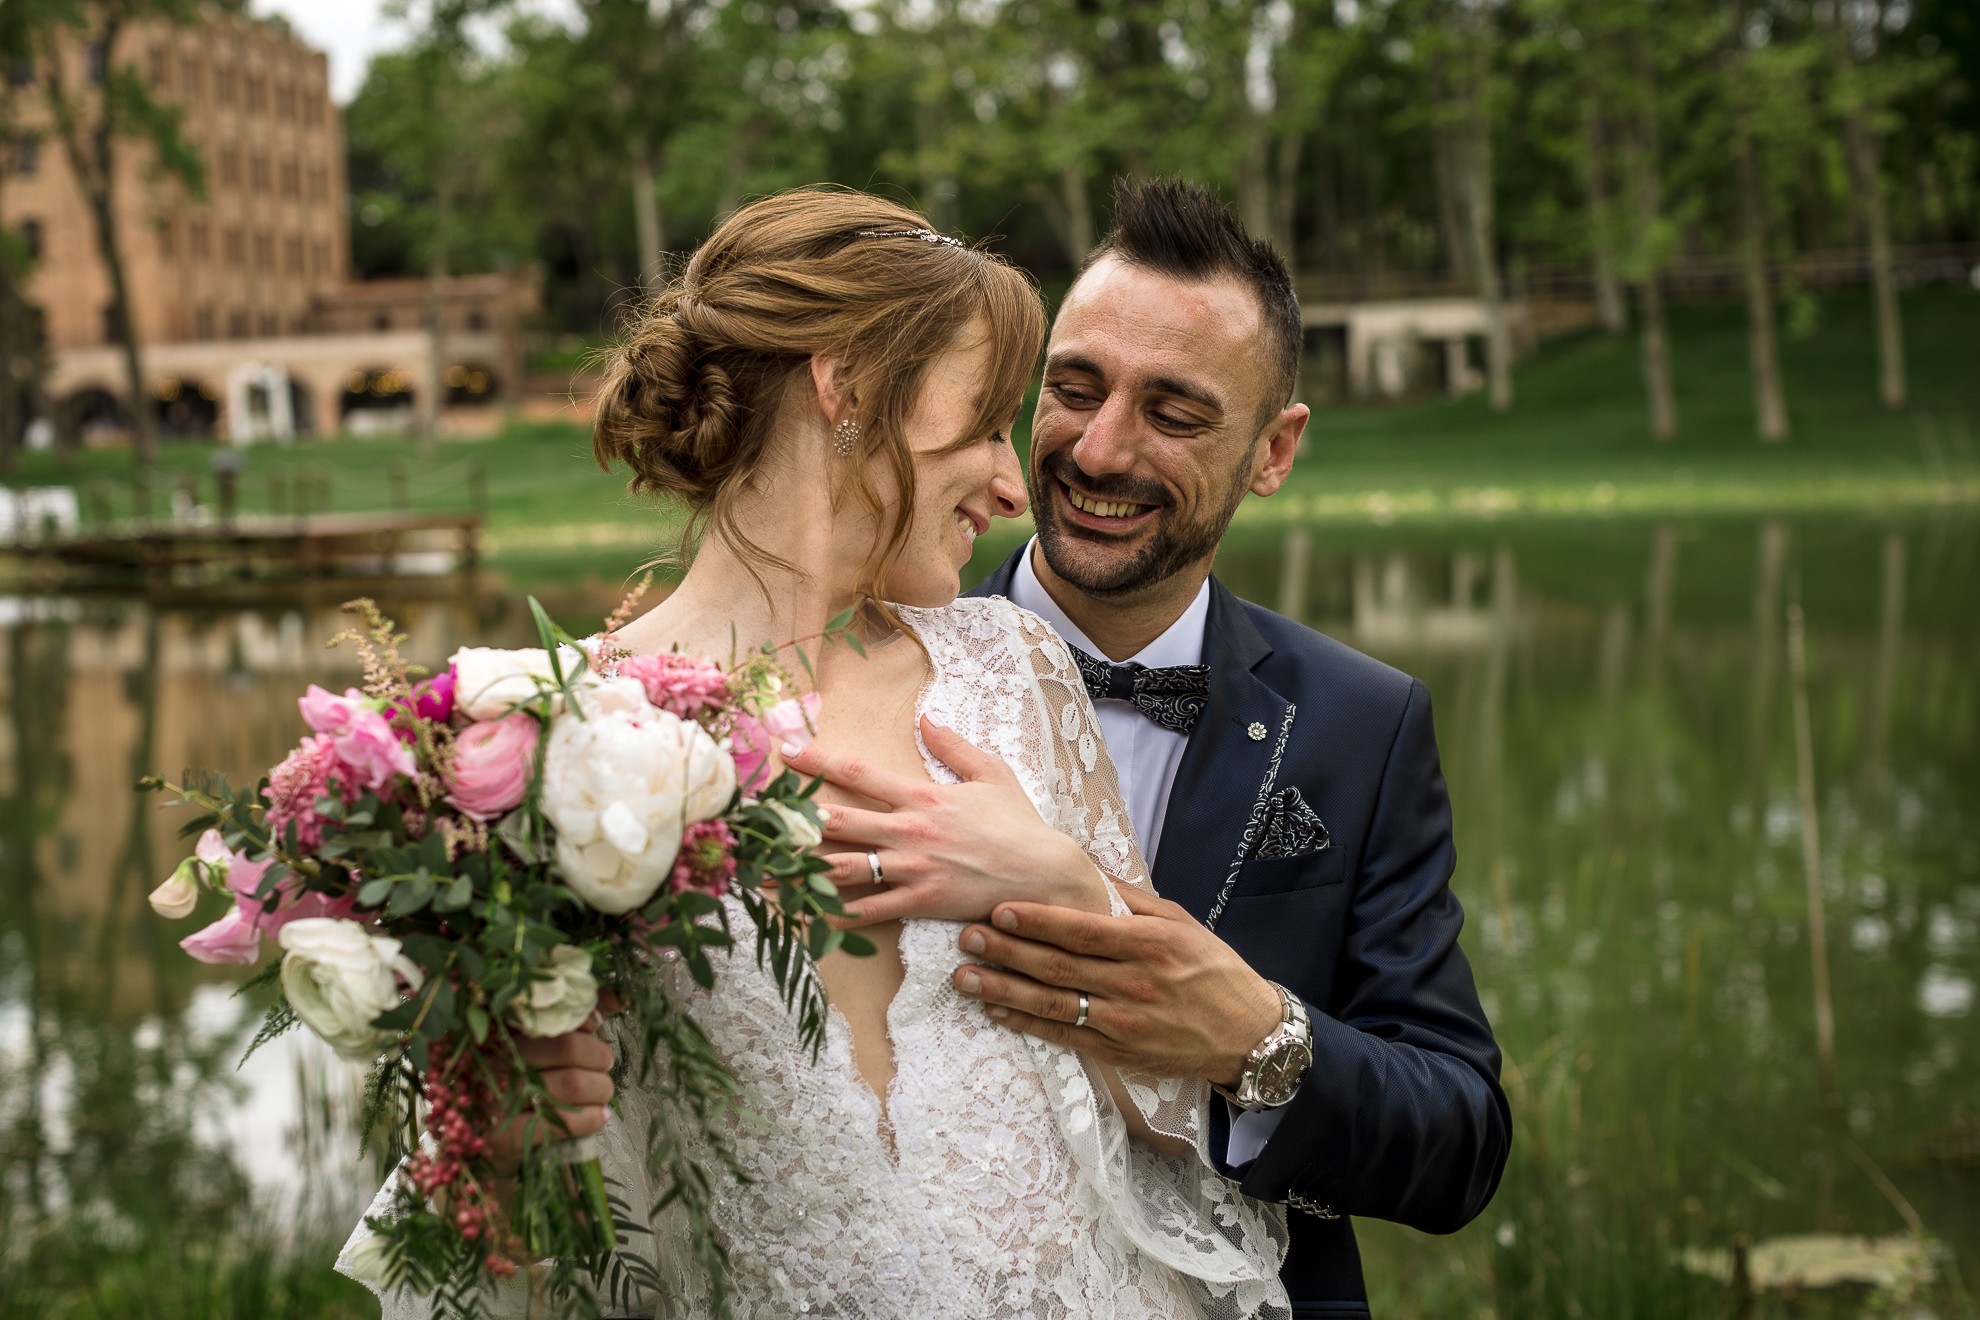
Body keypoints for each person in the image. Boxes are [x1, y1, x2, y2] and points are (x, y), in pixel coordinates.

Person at [342, 187, 1292, 1319]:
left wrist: (1066, 886)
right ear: (846, 383)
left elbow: (1166, 1112)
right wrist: (505, 1145)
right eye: (987, 419)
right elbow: (492, 1247)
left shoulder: (1016, 670)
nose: (1010, 478)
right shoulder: (546, 740)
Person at [785, 178, 1510, 1319]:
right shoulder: (847, 676)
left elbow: (1461, 1140)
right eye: (1073, 390)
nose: (1100, 448)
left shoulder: (1362, 726)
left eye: (1174, 413)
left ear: (1274, 451)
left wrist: (1255, 1039)